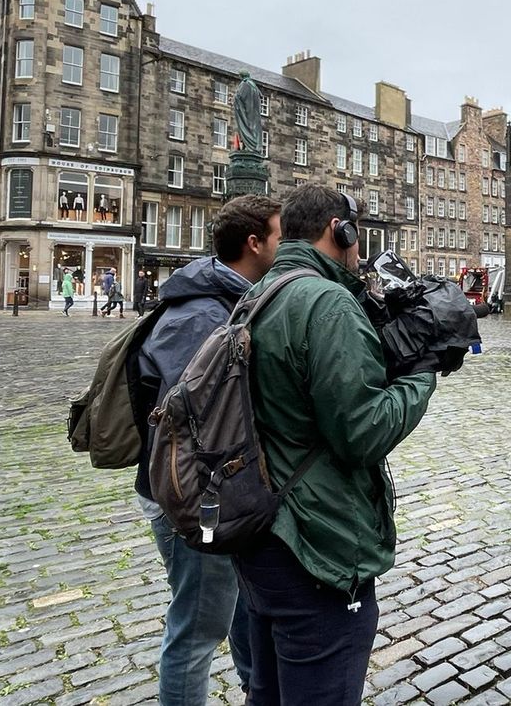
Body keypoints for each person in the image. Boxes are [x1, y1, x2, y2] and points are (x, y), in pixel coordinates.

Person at [233, 184, 436, 706]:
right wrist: (422, 375)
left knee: (269, 692)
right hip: (313, 547)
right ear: (338, 230)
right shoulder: (327, 302)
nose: (359, 248)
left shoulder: (259, 294)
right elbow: (361, 433)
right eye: (355, 234)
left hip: (260, 533)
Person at [136, 195, 281, 706]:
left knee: (242, 609)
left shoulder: (231, 301)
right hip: (192, 501)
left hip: (220, 496)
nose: (285, 246)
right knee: (197, 629)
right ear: (255, 243)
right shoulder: (198, 316)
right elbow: (183, 431)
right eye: (280, 236)